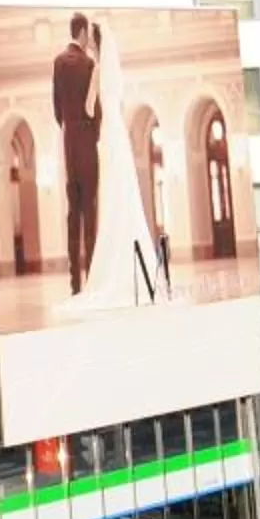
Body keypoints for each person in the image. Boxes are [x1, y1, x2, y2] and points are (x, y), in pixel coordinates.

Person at [76, 20, 165, 309]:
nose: (88, 42)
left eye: (90, 39)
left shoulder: (98, 70)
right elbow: (121, 105)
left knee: (111, 197)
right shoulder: (115, 71)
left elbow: (89, 107)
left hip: (107, 134)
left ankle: (111, 264)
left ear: (97, 43)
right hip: (119, 134)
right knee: (125, 196)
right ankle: (138, 265)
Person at [52, 13, 102, 296]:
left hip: (69, 144)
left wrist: (69, 130)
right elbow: (97, 110)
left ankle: (74, 284)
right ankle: (92, 276)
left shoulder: (58, 63)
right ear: (83, 32)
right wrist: (90, 135)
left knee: (73, 214)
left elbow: (56, 107)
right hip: (86, 143)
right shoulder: (88, 64)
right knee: (89, 212)